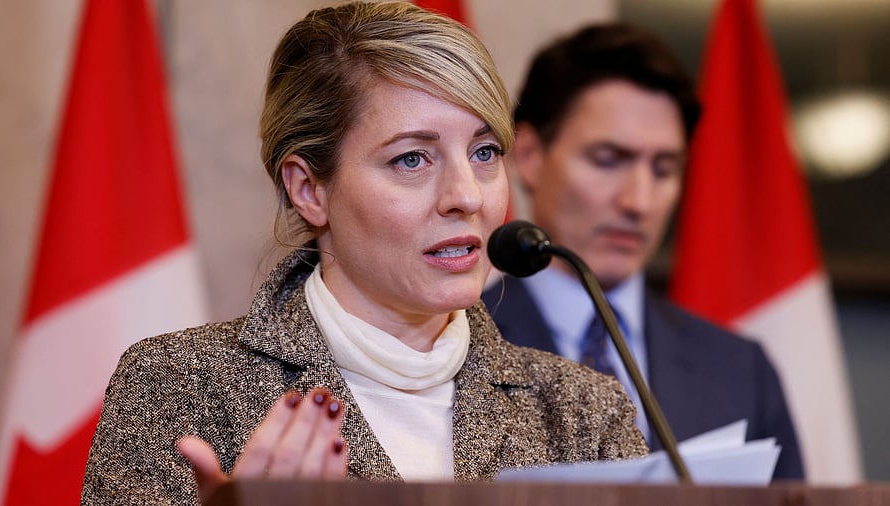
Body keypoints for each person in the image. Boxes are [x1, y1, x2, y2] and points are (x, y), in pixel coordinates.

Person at [81, 3, 647, 504]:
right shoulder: (177, 386)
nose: (468, 196)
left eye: (484, 152)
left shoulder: (583, 411)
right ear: (310, 190)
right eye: (411, 159)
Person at [482, 23, 804, 479]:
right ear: (530, 155)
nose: (639, 201)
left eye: (664, 168)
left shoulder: (740, 369)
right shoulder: (454, 344)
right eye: (608, 160)